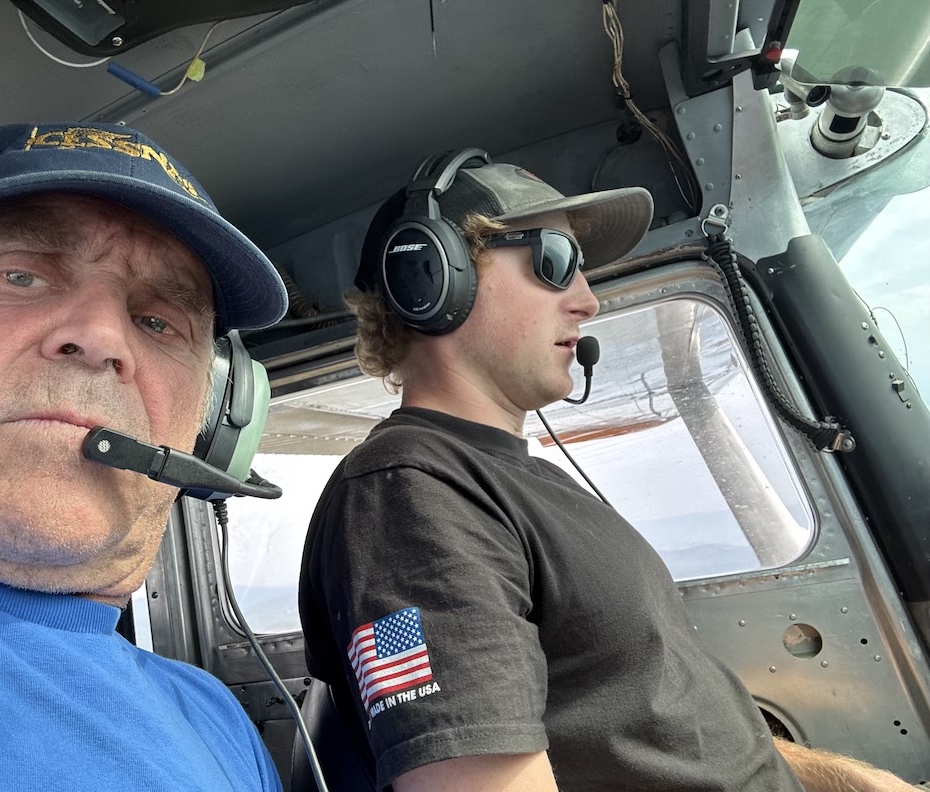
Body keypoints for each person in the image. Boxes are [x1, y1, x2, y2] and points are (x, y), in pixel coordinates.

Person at [298, 150, 919, 791]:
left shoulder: (524, 481)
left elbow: (666, 728)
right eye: (555, 261)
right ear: (429, 277)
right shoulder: (410, 492)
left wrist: (858, 784)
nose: (587, 301)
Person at [0, 123, 287, 790]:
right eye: (20, 275)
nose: (100, 337)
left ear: (209, 424)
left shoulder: (216, 721)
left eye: (157, 321)